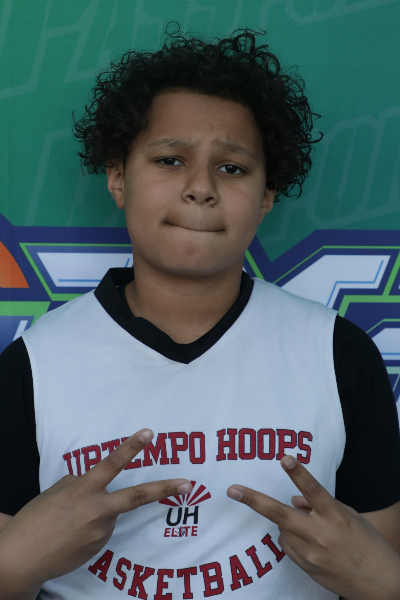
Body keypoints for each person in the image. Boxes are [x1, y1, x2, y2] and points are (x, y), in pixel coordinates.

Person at [0, 29, 399, 600]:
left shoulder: (338, 354)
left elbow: (381, 567)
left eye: (232, 168)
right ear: (118, 176)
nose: (200, 188)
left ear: (267, 195)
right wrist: (15, 563)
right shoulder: (35, 365)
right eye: (170, 160)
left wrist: (377, 577)